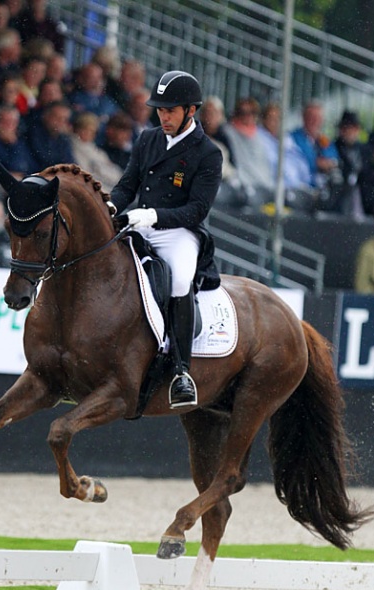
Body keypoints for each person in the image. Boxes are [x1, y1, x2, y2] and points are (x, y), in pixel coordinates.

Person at [110, 70, 223, 408]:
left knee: (179, 281)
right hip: (138, 222)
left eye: (170, 110)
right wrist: (111, 205)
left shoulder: (207, 153)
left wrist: (153, 216)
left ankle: (181, 372)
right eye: (160, 110)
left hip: (177, 233)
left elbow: (197, 211)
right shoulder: (147, 139)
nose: (163, 116)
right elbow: (127, 184)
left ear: (191, 110)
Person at [223, 97, 274, 197]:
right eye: (242, 112)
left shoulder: (261, 137)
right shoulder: (227, 133)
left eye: (252, 112)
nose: (247, 116)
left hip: (264, 187)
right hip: (243, 188)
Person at [258, 102, 311, 189]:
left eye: (278, 119)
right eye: (271, 118)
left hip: (300, 185)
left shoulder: (286, 138)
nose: (275, 122)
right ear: (263, 120)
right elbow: (274, 165)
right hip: (278, 188)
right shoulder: (259, 137)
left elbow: (301, 161)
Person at [290, 101, 339, 188]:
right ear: (304, 118)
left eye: (317, 118)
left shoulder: (324, 140)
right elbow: (297, 159)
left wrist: (328, 163)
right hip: (303, 185)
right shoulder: (293, 138)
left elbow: (334, 158)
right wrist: (316, 162)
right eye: (311, 117)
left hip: (324, 185)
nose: (314, 121)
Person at [70, 112, 123, 192]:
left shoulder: (96, 150)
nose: (88, 134)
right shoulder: (72, 147)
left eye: (92, 131)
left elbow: (116, 174)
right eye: (85, 129)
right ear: (77, 129)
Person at [0, 104, 36, 178]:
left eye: (12, 122)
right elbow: (15, 167)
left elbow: (30, 167)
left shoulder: (20, 141)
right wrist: (13, 144)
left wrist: (14, 144)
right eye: (5, 122)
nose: (8, 126)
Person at [27, 100, 75, 169]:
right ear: (46, 116)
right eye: (57, 118)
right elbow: (44, 161)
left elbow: (70, 163)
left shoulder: (63, 138)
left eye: (64, 119)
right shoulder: (33, 134)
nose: (61, 122)